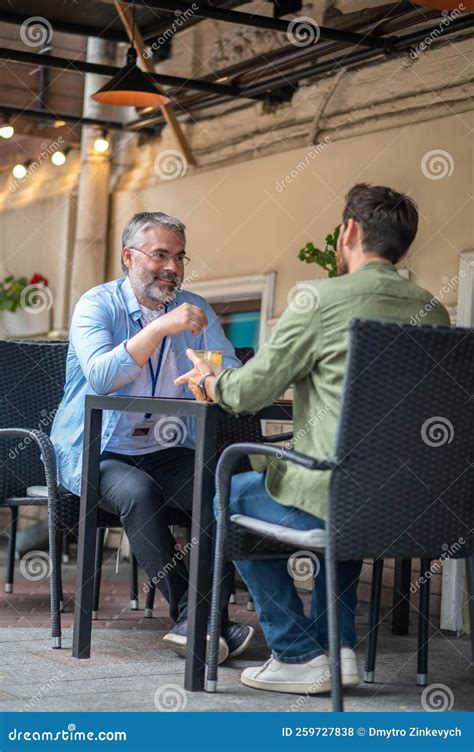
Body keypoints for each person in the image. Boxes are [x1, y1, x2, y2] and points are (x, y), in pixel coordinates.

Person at [176, 183, 450, 694]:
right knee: (343, 488)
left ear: (348, 232)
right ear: (403, 247)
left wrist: (208, 381)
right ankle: (339, 648)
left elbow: (252, 391)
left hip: (338, 492)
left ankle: (297, 650)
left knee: (229, 492)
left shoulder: (319, 300)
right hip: (408, 499)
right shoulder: (433, 311)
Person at [51, 211, 254, 663]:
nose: (173, 268)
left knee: (216, 483)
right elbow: (103, 377)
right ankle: (197, 617)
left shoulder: (195, 310)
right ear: (129, 257)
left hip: (163, 446)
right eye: (160, 254)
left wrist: (212, 374)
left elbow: (230, 371)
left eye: (179, 257)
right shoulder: (97, 305)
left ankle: (202, 623)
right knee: (139, 492)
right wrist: (161, 326)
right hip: (98, 450)